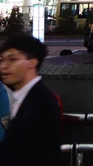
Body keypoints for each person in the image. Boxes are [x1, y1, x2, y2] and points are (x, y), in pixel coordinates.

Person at [0, 34, 61, 166]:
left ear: (32, 62)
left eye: (12, 59)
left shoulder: (41, 104)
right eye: (2, 60)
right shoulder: (23, 97)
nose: (4, 66)